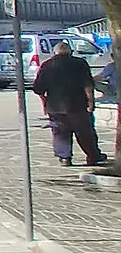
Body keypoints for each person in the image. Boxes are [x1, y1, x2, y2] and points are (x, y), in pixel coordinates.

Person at [31, 38, 107, 168]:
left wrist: (44, 102)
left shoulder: (47, 65)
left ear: (55, 53)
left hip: (55, 106)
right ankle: (93, 156)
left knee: (60, 133)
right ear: (70, 52)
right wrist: (91, 101)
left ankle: (64, 157)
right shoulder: (80, 63)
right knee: (85, 132)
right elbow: (88, 85)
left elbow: (38, 88)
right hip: (78, 105)